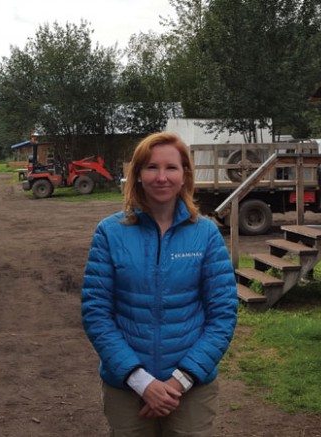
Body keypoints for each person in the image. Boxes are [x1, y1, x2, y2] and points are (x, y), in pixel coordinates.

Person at [81, 132, 238, 436]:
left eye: (171, 168)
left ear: (185, 175)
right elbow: (96, 314)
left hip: (191, 389)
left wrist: (178, 382)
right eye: (152, 167)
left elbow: (222, 316)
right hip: (127, 389)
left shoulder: (205, 234)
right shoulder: (109, 233)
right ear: (137, 175)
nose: (161, 177)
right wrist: (142, 382)